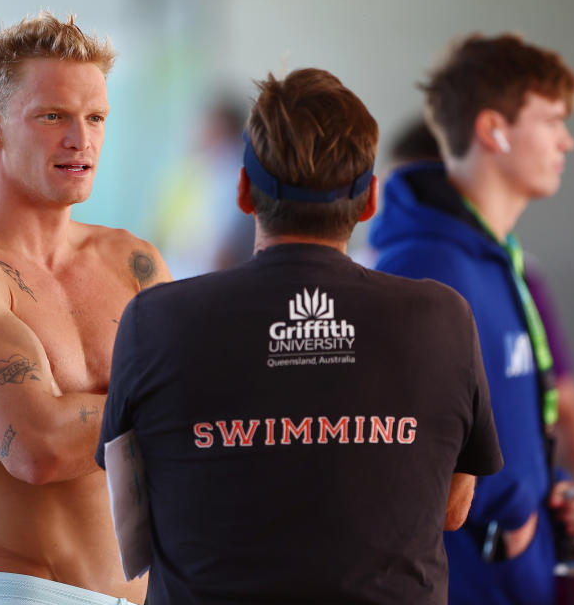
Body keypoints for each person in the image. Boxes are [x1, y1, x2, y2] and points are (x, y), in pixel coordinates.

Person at [96, 68, 504, 604]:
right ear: (370, 201)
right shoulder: (442, 315)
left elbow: (129, 501)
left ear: (243, 190)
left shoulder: (155, 320)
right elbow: (452, 508)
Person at [0, 11, 169, 605]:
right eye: (53, 117)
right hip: (25, 590)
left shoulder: (132, 260)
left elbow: (196, 438)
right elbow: (36, 447)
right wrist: (184, 398)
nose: (81, 140)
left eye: (95, 118)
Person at [369, 34, 574, 604]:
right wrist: (503, 521)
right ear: (492, 130)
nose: (567, 140)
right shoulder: (426, 264)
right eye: (552, 121)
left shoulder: (502, 261)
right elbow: (395, 444)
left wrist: (560, 493)